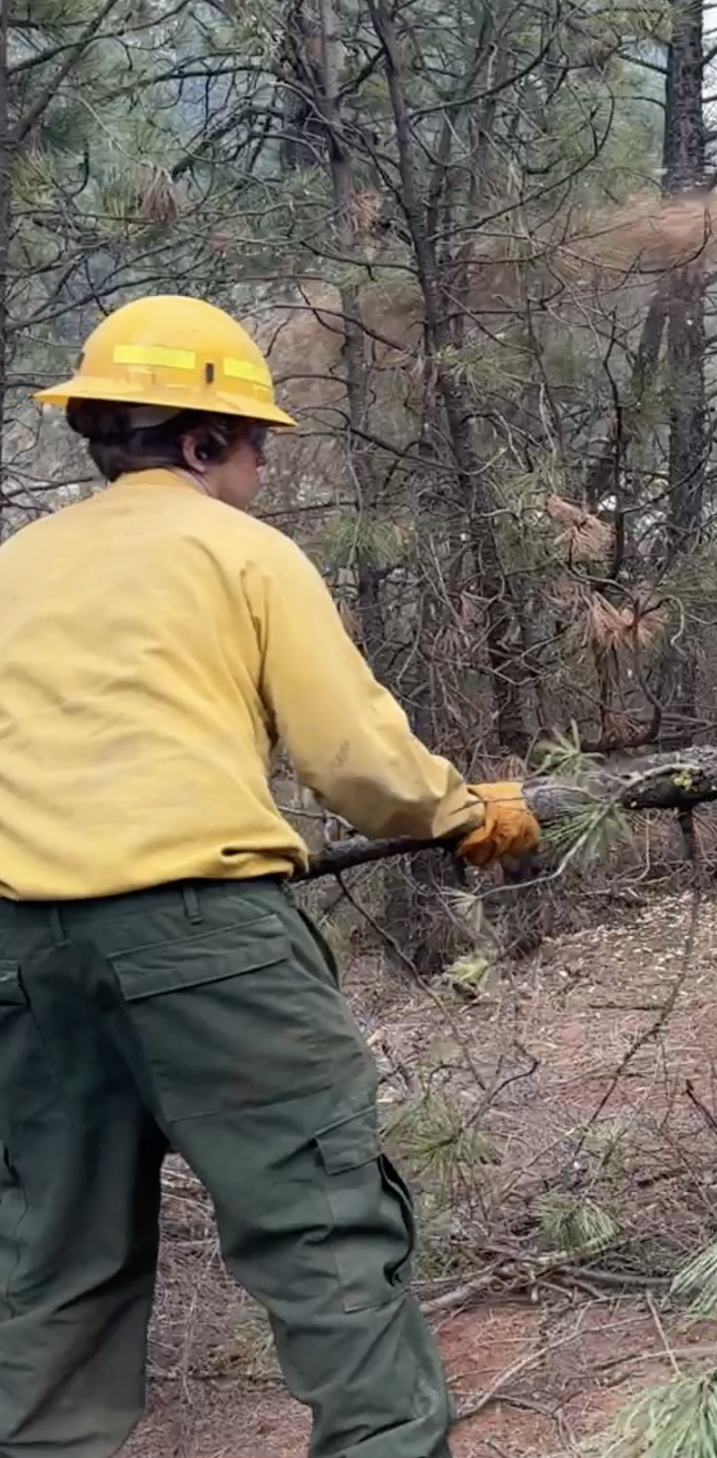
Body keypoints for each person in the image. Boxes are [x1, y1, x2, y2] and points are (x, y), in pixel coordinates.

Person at [0, 295, 541, 1457]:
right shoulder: (241, 552)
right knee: (323, 1242)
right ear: (200, 441)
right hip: (205, 946)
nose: (259, 471)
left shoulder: (16, 567)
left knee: (51, 1267)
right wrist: (464, 812)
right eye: (252, 446)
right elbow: (355, 760)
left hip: (23, 959)